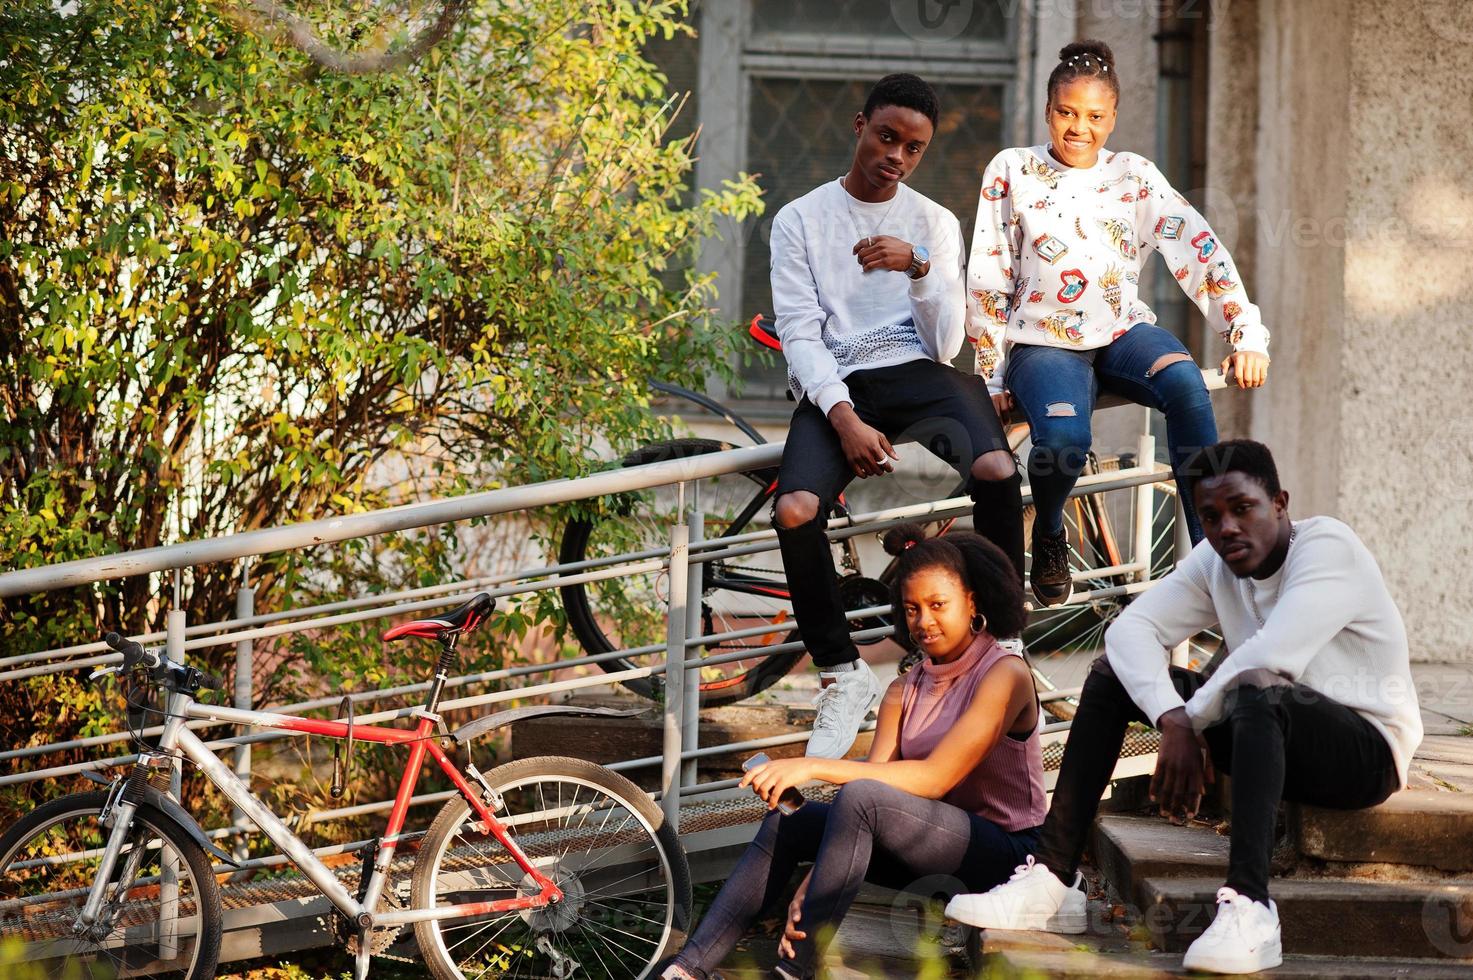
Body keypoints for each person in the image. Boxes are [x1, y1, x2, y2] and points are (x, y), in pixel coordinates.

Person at [944, 439, 1423, 974]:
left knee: (1257, 683)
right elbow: (1131, 632)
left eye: (1244, 509)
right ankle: (1054, 882)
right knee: (1111, 676)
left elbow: (1273, 655)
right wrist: (1171, 718)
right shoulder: (1215, 563)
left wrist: (1187, 722)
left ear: (1281, 503)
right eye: (1211, 516)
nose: (1227, 528)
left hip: (1365, 752)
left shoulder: (1329, 548)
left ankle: (1250, 908)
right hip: (1261, 730)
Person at [657, 524, 1044, 980]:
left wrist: (812, 765)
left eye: (939, 605)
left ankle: (791, 971)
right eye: (912, 609)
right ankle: (686, 970)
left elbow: (936, 778)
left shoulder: (1005, 674)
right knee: (791, 817)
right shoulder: (905, 687)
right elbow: (866, 802)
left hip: (1010, 860)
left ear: (973, 602)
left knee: (859, 794)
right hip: (931, 851)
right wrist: (816, 878)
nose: (924, 622)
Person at [769, 72, 1025, 760]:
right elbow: (799, 334)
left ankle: (1004, 641)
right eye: (886, 138)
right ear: (859, 126)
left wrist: (918, 269)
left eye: (912, 148)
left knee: (997, 469)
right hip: (837, 383)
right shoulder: (799, 219)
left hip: (916, 374)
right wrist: (843, 416)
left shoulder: (933, 223)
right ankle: (840, 673)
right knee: (794, 509)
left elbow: (944, 346)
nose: (896, 156)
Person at [966, 39, 1271, 608]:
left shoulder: (1134, 175)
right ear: (1048, 110)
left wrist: (1244, 333)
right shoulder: (1012, 169)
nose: (1079, 128)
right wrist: (990, 375)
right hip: (1043, 341)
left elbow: (1199, 249)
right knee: (1062, 440)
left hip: (1122, 330)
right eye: (1066, 113)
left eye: (1095, 117)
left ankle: (1210, 557)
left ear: (1113, 119)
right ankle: (1052, 528)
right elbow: (988, 272)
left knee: (1184, 384)